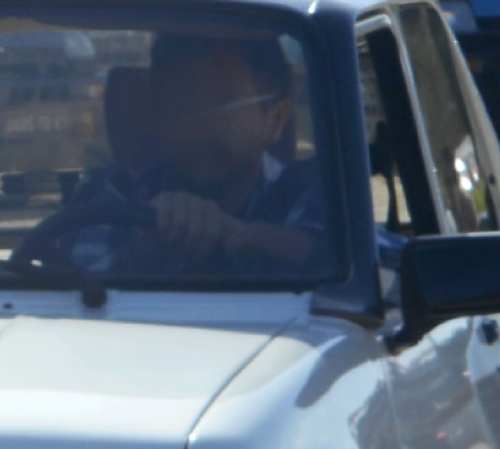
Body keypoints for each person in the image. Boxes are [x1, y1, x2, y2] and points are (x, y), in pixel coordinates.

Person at [44, 33, 339, 281]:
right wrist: (143, 249)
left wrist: (241, 235)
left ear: (274, 119)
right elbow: (69, 289)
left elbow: (377, 264)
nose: (199, 121)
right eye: (180, 102)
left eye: (224, 102)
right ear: (155, 116)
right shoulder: (112, 193)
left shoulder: (316, 195)